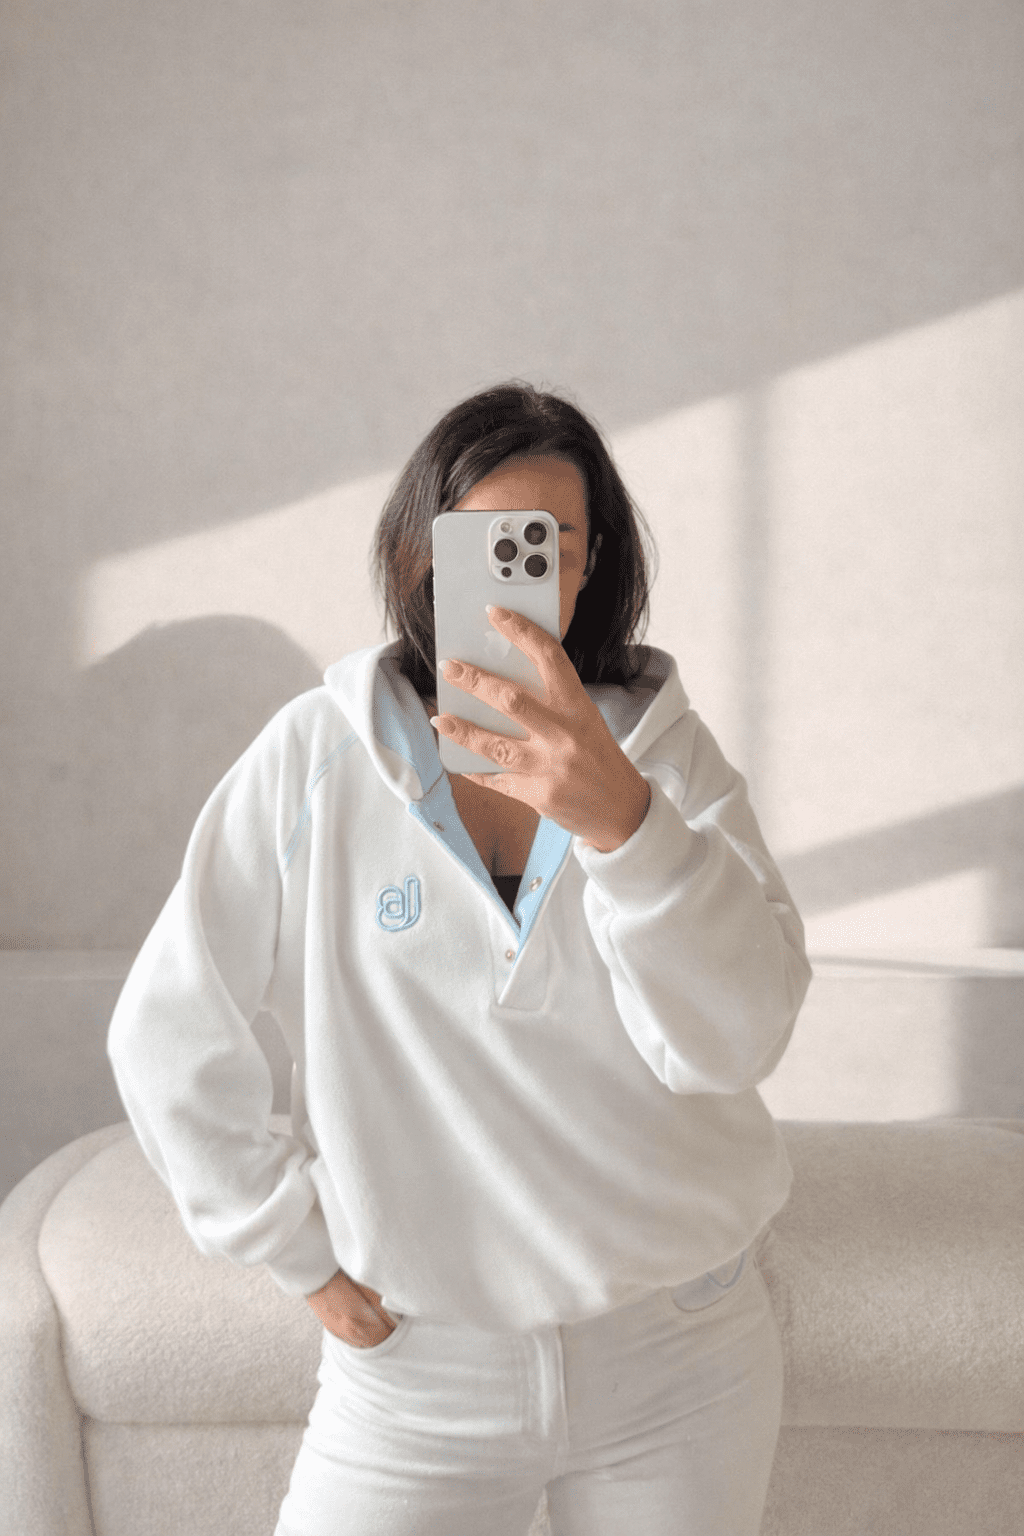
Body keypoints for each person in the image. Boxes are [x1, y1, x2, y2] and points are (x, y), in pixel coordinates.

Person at [107, 381, 811, 1536]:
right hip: (415, 1374)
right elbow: (165, 1029)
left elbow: (733, 1044)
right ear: (419, 556)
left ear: (592, 565)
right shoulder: (314, 760)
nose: (515, 578)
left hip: (681, 1352)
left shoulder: (664, 762)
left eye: (549, 546)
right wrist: (292, 1249)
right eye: (484, 545)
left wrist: (628, 827)